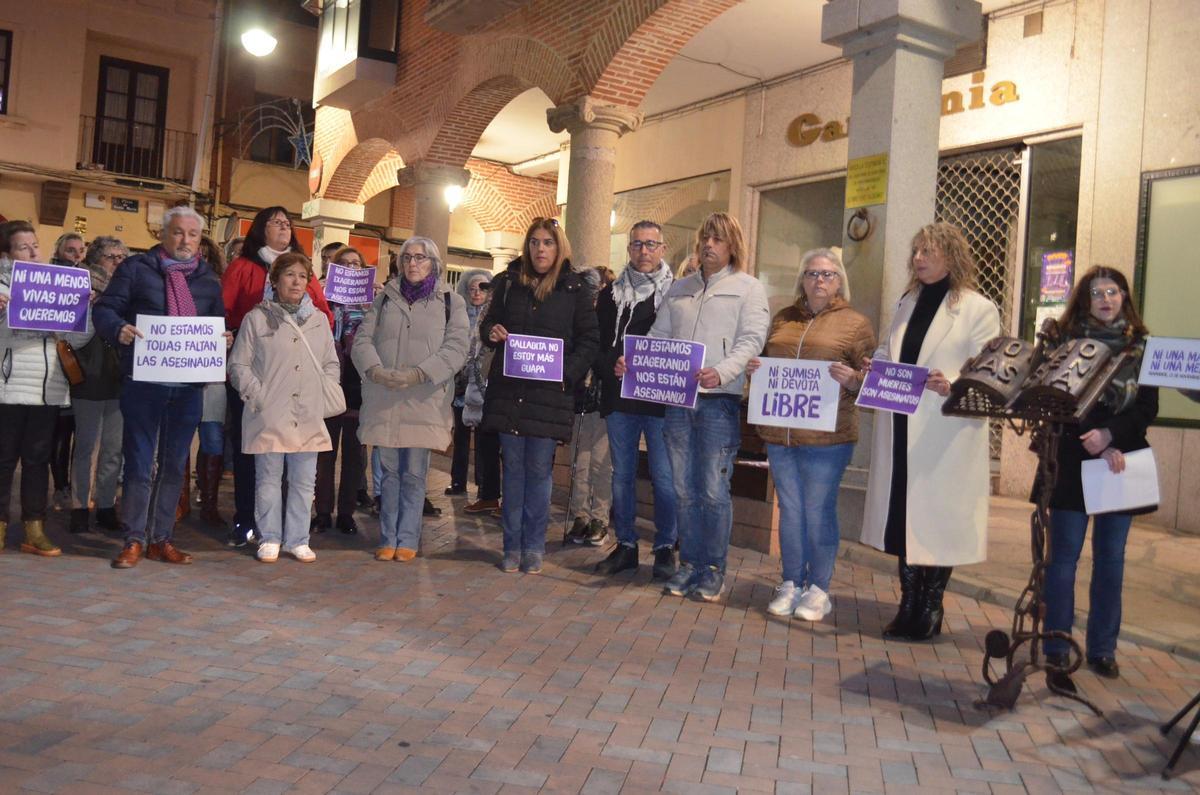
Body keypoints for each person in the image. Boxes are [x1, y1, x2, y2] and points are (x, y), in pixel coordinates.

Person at [861, 222, 1000, 640]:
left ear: (952, 256)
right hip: (902, 425)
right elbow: (890, 351)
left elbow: (990, 372)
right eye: (917, 251)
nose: (919, 258)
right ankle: (908, 603)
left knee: (937, 518)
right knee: (904, 513)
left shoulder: (978, 308)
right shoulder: (907, 301)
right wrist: (875, 366)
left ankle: (931, 606)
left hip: (946, 431)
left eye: (929, 251)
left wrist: (953, 383)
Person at [621, 212, 769, 602]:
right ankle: (689, 565)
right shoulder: (680, 288)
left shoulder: (748, 288)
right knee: (684, 489)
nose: (709, 246)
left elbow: (752, 339)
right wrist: (636, 361)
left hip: (718, 402)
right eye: (705, 238)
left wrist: (722, 372)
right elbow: (659, 335)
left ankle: (713, 569)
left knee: (713, 489)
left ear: (732, 245)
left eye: (718, 239)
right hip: (677, 403)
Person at [1039, 266, 1157, 690]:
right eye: (1096, 293)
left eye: (1114, 291)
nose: (1106, 299)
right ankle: (1055, 647)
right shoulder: (1064, 344)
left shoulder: (1142, 349)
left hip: (1119, 462)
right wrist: (1090, 437)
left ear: (1125, 298)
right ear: (1084, 302)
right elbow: (1053, 399)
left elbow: (1146, 409)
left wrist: (1111, 437)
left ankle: (1103, 648)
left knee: (1111, 561)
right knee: (1063, 562)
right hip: (1072, 461)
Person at [94, 206, 229, 569]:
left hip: (188, 388)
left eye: (193, 234)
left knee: (173, 466)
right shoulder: (136, 269)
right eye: (178, 233)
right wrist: (118, 329)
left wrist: (223, 339)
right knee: (139, 464)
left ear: (200, 239)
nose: (185, 241)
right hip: (143, 384)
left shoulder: (208, 280)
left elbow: (218, 324)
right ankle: (134, 539)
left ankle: (161, 539)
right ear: (163, 235)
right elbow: (104, 309)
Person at [746, 248, 875, 621]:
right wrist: (759, 367)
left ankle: (818, 588)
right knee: (790, 510)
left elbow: (871, 379)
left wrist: (853, 379)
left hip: (827, 437)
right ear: (801, 279)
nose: (820, 280)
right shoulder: (783, 318)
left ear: (840, 282)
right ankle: (790, 582)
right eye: (812, 273)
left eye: (828, 274)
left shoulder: (855, 323)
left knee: (818, 511)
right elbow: (769, 360)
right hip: (781, 433)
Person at [480, 218, 600, 574]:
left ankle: (533, 547)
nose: (540, 249)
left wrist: (567, 372)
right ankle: (511, 547)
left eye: (547, 242)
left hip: (549, 397)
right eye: (534, 242)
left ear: (558, 246)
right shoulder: (506, 284)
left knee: (539, 474)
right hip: (509, 394)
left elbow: (590, 340)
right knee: (512, 473)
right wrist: (492, 332)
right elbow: (487, 325)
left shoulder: (575, 291)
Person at [222, 206, 333, 546]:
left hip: (300, 381)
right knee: (257, 459)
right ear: (261, 229)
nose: (284, 227)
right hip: (261, 369)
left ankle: (294, 533)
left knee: (299, 467)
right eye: (276, 222)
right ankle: (250, 523)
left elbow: (323, 318)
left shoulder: (306, 272)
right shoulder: (243, 267)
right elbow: (222, 309)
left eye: (288, 223)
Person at [353, 237, 467, 562]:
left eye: (420, 258)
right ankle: (387, 537)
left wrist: (419, 374)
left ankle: (409, 538)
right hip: (385, 397)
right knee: (387, 473)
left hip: (423, 400)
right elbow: (363, 339)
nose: (413, 264)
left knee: (415, 473)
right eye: (407, 258)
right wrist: (375, 370)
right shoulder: (385, 299)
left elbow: (456, 348)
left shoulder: (451, 302)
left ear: (434, 263)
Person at [592, 221, 678, 579]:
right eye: (637, 245)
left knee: (664, 477)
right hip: (620, 399)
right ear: (628, 249)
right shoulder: (611, 294)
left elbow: (683, 345)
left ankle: (664, 550)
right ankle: (626, 545)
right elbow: (594, 343)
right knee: (622, 475)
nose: (644, 251)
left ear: (662, 248)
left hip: (660, 402)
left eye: (651, 245)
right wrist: (611, 362)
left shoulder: (677, 294)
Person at [0, 221, 92, 556]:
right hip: (7, 388)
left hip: (48, 388)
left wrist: (84, 309)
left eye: (35, 245)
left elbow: (79, 339)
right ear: (6, 254)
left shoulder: (59, 285)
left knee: (39, 460)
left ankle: (34, 529)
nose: (33, 252)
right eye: (23, 247)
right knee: (4, 460)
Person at [68, 236, 128, 534]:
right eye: (111, 257)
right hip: (89, 375)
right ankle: (80, 506)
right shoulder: (82, 287)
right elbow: (72, 333)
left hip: (118, 379)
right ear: (95, 259)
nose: (117, 262)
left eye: (121, 257)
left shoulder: (128, 291)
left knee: (113, 450)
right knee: (86, 447)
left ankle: (106, 505)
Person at [313, 246, 371, 536]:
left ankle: (346, 513)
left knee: (353, 455)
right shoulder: (321, 298)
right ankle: (323, 512)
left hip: (357, 385)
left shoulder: (371, 305)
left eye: (356, 264)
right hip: (327, 383)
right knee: (325, 452)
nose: (351, 269)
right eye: (344, 264)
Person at [564, 265, 616, 547]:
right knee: (579, 462)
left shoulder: (607, 319)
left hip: (602, 398)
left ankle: (600, 517)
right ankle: (579, 516)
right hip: (580, 399)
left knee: (601, 462)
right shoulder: (576, 319)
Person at [447, 269, 502, 515]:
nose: (477, 293)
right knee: (460, 436)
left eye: (482, 288)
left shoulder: (493, 316)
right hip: (462, 385)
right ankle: (458, 480)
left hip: (484, 387)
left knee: (484, 439)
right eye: (472, 288)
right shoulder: (459, 317)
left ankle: (484, 487)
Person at [189, 236, 230, 529]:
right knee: (177, 444)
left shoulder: (219, 291)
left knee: (213, 440)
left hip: (213, 377)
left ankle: (209, 502)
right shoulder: (169, 289)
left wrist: (226, 339)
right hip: (178, 376)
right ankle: (178, 502)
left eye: (204, 254)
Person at [49, 233, 86, 511]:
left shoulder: (88, 280)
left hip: (81, 366)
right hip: (56, 365)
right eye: (70, 249)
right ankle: (60, 486)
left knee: (79, 433)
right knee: (59, 433)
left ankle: (75, 485)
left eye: (80, 250)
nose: (75, 255)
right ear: (59, 251)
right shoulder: (44, 278)